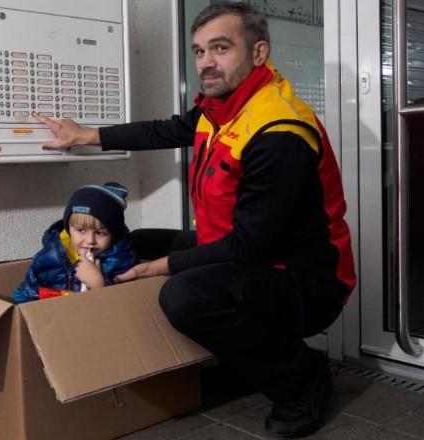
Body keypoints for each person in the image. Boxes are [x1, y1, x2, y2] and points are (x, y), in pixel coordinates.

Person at [35, 3, 356, 438]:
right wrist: (86, 135)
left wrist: (157, 269)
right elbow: (164, 130)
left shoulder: (279, 130)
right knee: (139, 241)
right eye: (200, 51)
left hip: (305, 279)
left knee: (184, 296)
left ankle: (302, 378)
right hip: (245, 253)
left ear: (258, 52)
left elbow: (250, 247)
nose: (206, 62)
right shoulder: (220, 111)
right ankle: (236, 352)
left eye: (220, 48)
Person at [13, 182, 138, 304]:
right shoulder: (50, 257)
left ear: (113, 235)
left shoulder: (121, 260)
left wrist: (99, 283)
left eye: (100, 233)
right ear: (69, 229)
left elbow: (129, 304)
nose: (90, 240)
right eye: (81, 230)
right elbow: (25, 294)